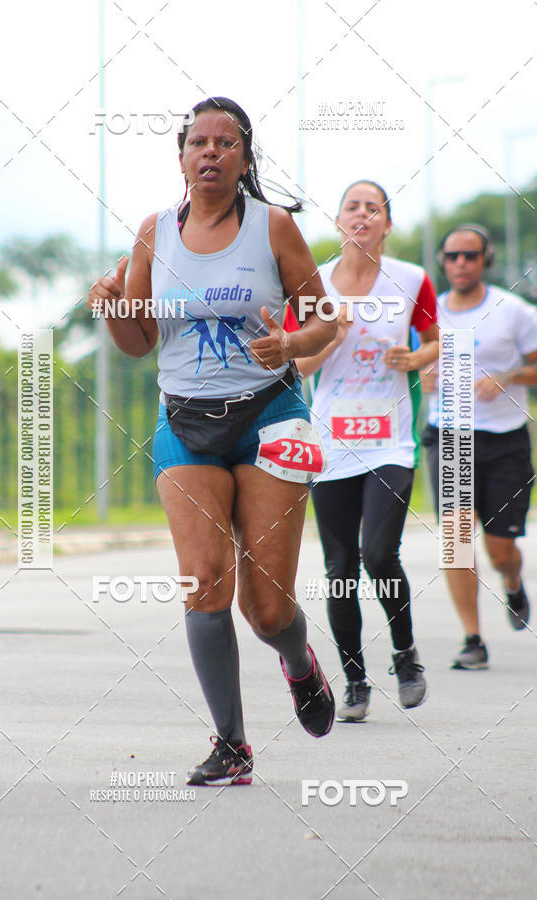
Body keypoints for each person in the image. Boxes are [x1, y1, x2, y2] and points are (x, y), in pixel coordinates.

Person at [87, 97, 337, 786]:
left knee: (266, 609)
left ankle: (297, 660)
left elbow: (326, 323)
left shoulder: (273, 228)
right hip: (185, 422)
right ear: (181, 157)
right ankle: (232, 744)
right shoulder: (153, 234)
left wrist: (290, 341)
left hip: (269, 417)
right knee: (203, 584)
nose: (211, 154)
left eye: (226, 144)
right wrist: (114, 309)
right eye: (199, 142)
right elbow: (138, 342)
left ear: (245, 159)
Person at [286, 180, 439, 721]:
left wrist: (416, 360)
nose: (362, 215)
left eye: (373, 208)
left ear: (387, 224)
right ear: (338, 220)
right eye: (352, 206)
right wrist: (326, 339)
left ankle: (406, 656)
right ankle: (354, 680)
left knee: (379, 554)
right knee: (341, 568)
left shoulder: (413, 280)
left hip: (391, 441)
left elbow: (437, 341)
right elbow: (291, 367)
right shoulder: (314, 285)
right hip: (331, 444)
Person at [421, 224, 537, 669]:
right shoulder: (428, 313)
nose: (460, 263)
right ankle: (472, 639)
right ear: (442, 260)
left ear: (485, 259)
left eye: (469, 256)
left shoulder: (515, 312)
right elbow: (412, 364)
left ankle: (512, 581)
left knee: (499, 550)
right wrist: (423, 376)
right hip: (450, 437)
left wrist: (509, 377)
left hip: (504, 441)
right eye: (452, 255)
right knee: (455, 541)